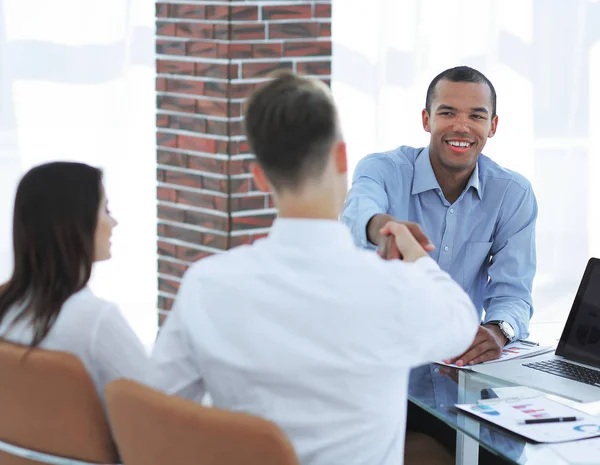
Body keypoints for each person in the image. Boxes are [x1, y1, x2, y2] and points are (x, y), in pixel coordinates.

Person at [148, 71, 479, 465]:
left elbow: (157, 410)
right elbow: (462, 322)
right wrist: (416, 258)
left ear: (259, 176)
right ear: (341, 158)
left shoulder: (205, 285)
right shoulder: (391, 289)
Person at [342, 65, 537, 366]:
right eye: (447, 113)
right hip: (380, 369)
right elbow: (356, 212)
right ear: (426, 119)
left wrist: (498, 331)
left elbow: (514, 293)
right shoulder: (382, 169)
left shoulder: (512, 193)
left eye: (476, 116)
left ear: (493, 126)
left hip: (461, 374)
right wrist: (381, 225)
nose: (462, 126)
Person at [0, 162, 149, 404]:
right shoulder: (96, 320)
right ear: (77, 222)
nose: (114, 223)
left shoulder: (7, 307)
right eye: (106, 210)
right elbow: (156, 408)